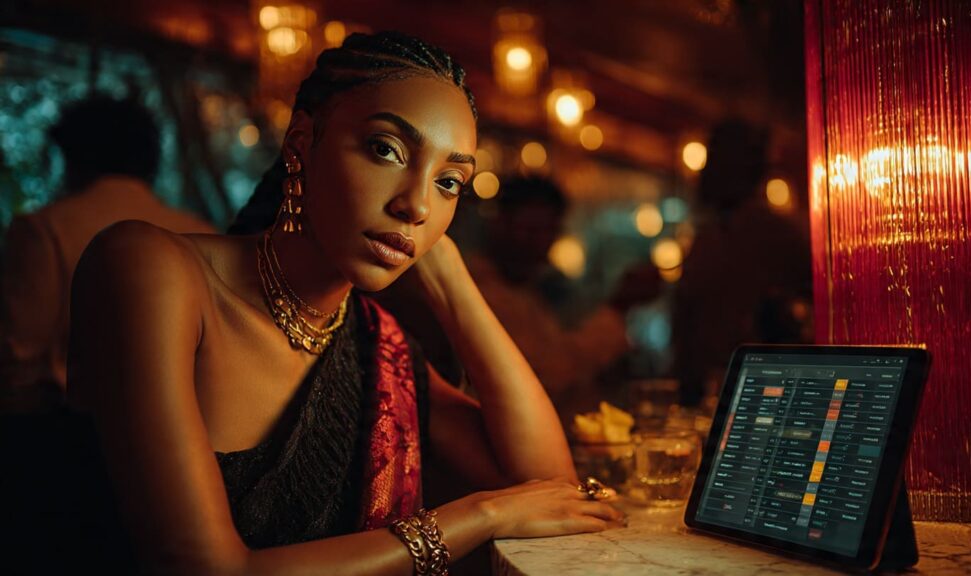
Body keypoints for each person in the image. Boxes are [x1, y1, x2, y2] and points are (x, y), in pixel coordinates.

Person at [61, 32, 623, 575]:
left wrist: (451, 280)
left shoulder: (375, 343)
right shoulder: (150, 269)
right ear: (301, 141)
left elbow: (551, 489)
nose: (416, 205)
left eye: (450, 182)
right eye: (387, 150)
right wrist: (480, 515)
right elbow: (203, 567)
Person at [0, 95, 215, 412]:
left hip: (66, 436)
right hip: (188, 426)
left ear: (74, 156)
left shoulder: (45, 229)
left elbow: (18, 355)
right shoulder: (202, 234)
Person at [462, 176, 660, 423]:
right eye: (530, 229)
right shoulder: (476, 289)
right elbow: (548, 374)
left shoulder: (534, 287)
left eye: (549, 231)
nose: (539, 243)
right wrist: (619, 306)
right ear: (499, 223)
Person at [671, 119, 812, 406]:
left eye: (721, 158)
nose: (709, 170)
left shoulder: (775, 235)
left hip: (760, 390)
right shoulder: (710, 234)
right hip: (708, 390)